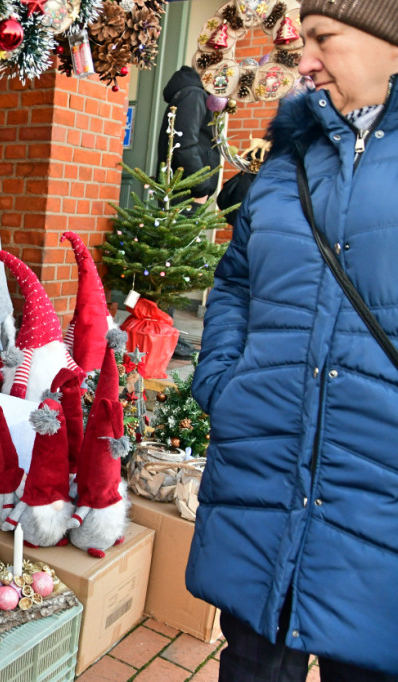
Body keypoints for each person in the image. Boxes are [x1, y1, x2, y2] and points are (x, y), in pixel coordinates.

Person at [186, 2, 398, 679]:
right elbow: (237, 280)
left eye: (322, 39)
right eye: (302, 39)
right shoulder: (286, 163)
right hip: (262, 478)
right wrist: (222, 379)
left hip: (378, 495)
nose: (302, 59)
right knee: (251, 662)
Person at [157, 65, 220, 203]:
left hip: (186, 191)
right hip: (187, 193)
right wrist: (201, 188)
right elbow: (184, 145)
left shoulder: (193, 94)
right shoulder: (194, 95)